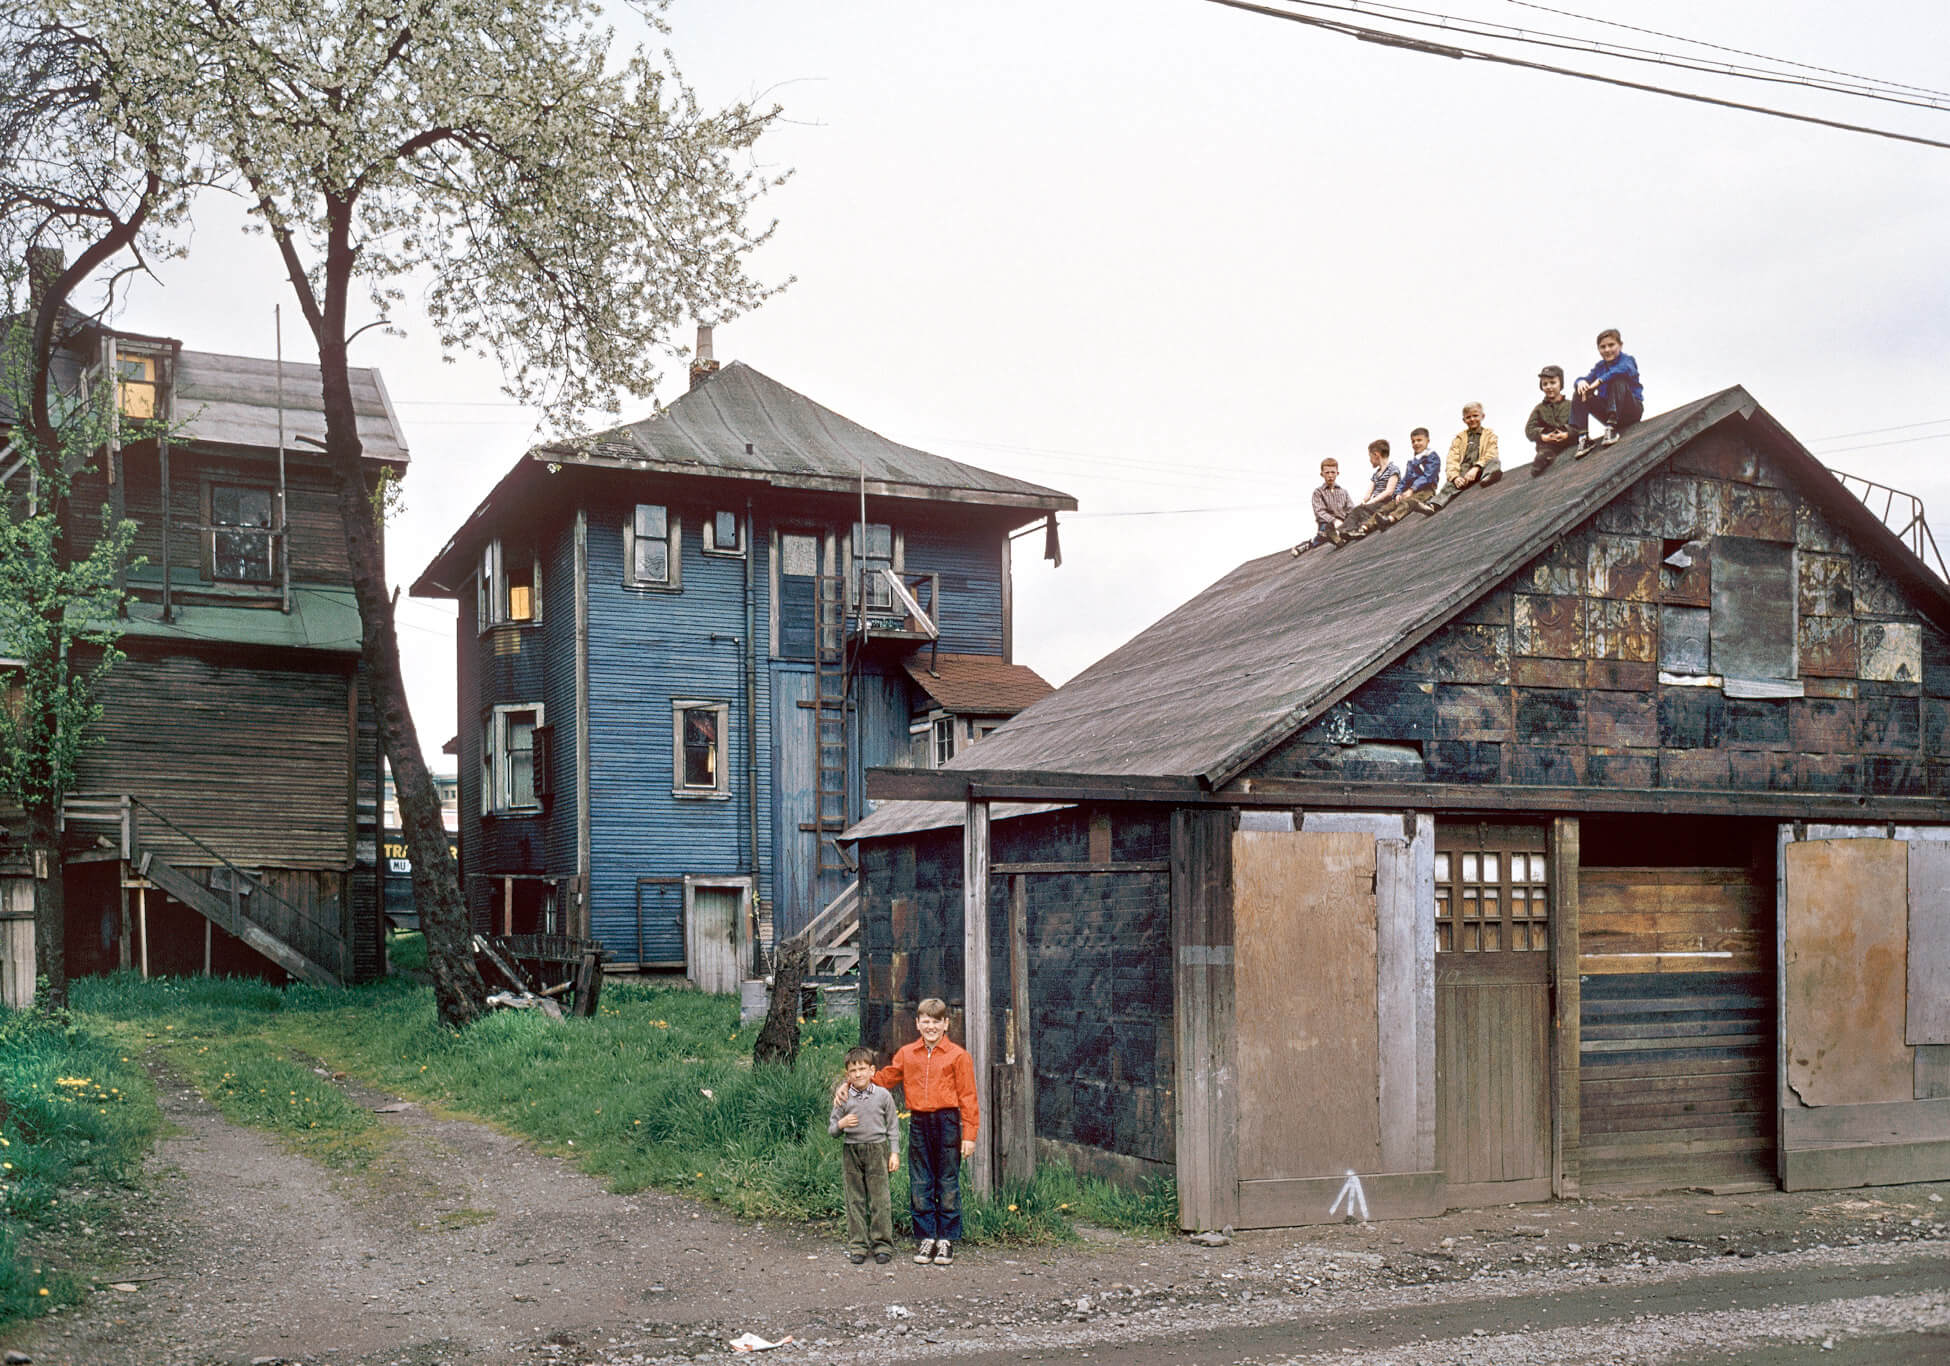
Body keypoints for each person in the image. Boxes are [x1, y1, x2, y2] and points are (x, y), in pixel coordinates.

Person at [873, 998, 979, 1266]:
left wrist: (969, 1135)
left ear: (946, 1024)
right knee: (920, 1180)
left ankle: (946, 1239)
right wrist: (855, 1082)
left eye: (936, 1022)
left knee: (947, 1180)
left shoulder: (958, 1056)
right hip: (919, 1121)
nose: (931, 1027)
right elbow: (886, 1078)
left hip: (948, 1122)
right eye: (926, 1022)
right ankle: (926, 1236)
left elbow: (968, 1097)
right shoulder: (907, 1053)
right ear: (917, 1024)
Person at [830, 1046, 901, 1265]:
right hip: (851, 1150)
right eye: (853, 1071)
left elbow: (893, 1126)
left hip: (877, 1149)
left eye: (862, 1069)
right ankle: (858, 1245)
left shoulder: (883, 1095)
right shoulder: (843, 1098)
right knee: (855, 1199)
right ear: (847, 1075)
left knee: (880, 1199)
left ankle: (882, 1244)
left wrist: (894, 1152)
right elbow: (832, 1130)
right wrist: (841, 1124)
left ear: (872, 1070)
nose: (858, 1074)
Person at [1419, 402, 1501, 513]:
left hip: (1482, 467)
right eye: (1468, 417)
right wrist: (1455, 477)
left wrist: (1476, 467)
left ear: (1482, 416)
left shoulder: (1489, 434)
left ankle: (1489, 476)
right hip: (1465, 472)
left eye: (1475, 416)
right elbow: (1452, 460)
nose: (1472, 419)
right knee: (1449, 486)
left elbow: (1491, 452)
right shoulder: (1459, 438)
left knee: (1494, 461)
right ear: (1464, 420)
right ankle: (1433, 505)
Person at [1572, 328, 1644, 453]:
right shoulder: (1600, 366)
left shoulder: (1627, 360)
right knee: (1579, 392)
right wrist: (1580, 382)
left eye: (1611, 345)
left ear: (1620, 345)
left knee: (1617, 380)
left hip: (1630, 411)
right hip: (1607, 411)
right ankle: (1583, 437)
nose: (1607, 350)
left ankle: (1611, 428)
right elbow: (1586, 379)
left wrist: (1600, 381)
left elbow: (1622, 370)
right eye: (1602, 347)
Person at [1373, 427, 1441, 525]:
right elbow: (1405, 480)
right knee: (1389, 505)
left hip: (1426, 490)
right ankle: (1367, 526)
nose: (1416, 443)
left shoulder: (1432, 457)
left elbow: (1428, 476)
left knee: (1408, 502)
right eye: (1413, 441)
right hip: (1410, 491)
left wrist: (1412, 489)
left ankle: (1391, 519)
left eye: (1419, 440)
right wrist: (1398, 493)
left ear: (1427, 441)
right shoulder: (1412, 461)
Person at [1338, 439, 1401, 541]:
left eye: (1370, 456)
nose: (1370, 460)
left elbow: (1389, 491)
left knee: (1359, 511)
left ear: (1376, 455)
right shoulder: (1376, 474)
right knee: (1358, 511)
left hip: (1386, 503)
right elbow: (1368, 493)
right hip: (1375, 504)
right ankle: (1345, 533)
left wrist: (1371, 502)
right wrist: (1364, 501)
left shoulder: (1393, 469)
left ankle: (1345, 531)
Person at [1526, 366, 1574, 476]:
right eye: (1545, 384)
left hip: (1569, 442)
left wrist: (1567, 434)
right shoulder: (1539, 409)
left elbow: (1580, 425)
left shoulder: (1570, 405)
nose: (1549, 387)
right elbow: (1529, 429)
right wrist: (1543, 436)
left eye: (1553, 383)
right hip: (1549, 446)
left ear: (1560, 384)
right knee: (1541, 459)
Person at [1299, 457, 1353, 551]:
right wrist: (1334, 521)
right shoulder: (1318, 492)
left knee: (1352, 528)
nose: (1330, 476)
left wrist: (1348, 520)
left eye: (1333, 472)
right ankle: (1310, 544)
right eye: (1327, 473)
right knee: (1325, 534)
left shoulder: (1343, 492)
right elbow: (1319, 512)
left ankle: (1341, 536)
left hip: (1343, 522)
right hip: (1327, 523)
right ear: (1322, 474)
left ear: (1337, 473)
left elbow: (1350, 508)